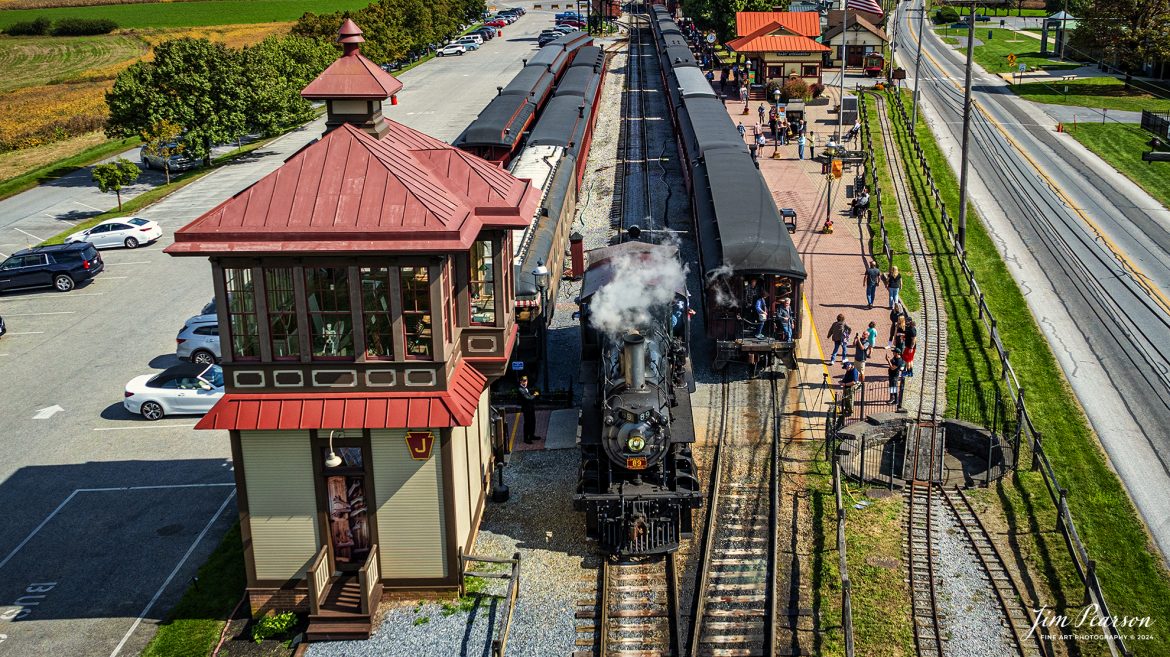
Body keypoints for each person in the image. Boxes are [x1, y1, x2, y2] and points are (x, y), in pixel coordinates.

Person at [518, 375, 540, 444]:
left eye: (526, 381)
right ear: (520, 382)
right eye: (523, 381)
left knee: (532, 422)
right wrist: (535, 395)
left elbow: (529, 396)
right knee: (527, 423)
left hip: (531, 408)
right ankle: (526, 438)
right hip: (526, 409)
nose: (525, 382)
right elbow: (528, 398)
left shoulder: (526, 388)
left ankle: (531, 435)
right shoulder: (520, 389)